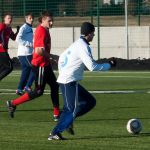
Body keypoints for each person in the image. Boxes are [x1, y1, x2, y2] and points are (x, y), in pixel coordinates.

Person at [48, 22, 116, 140]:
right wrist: (109, 64)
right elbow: (92, 67)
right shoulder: (83, 46)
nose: (94, 35)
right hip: (68, 81)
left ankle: (69, 121)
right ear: (89, 34)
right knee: (70, 109)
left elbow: (62, 58)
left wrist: (63, 72)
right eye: (93, 33)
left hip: (68, 79)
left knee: (89, 101)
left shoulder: (77, 44)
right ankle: (55, 133)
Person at [7, 10, 60, 121]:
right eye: (49, 21)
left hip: (45, 65)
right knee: (38, 91)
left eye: (52, 21)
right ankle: (13, 103)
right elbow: (39, 51)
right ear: (43, 20)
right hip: (40, 66)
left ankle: (57, 114)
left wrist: (49, 59)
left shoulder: (45, 30)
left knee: (55, 86)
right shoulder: (41, 31)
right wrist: (52, 56)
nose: (52, 23)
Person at [15, 13, 35, 95]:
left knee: (25, 72)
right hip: (25, 53)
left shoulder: (29, 28)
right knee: (35, 68)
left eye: (32, 18)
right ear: (26, 19)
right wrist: (30, 44)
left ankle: (19, 89)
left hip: (26, 53)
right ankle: (27, 86)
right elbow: (17, 39)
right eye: (30, 18)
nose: (32, 19)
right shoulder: (24, 27)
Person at [0, 13, 19, 81]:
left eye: (11, 18)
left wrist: (17, 31)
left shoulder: (9, 29)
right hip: (1, 51)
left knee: (2, 68)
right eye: (8, 18)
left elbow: (13, 38)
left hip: (4, 51)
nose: (10, 19)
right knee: (9, 67)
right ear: (4, 19)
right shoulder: (2, 26)